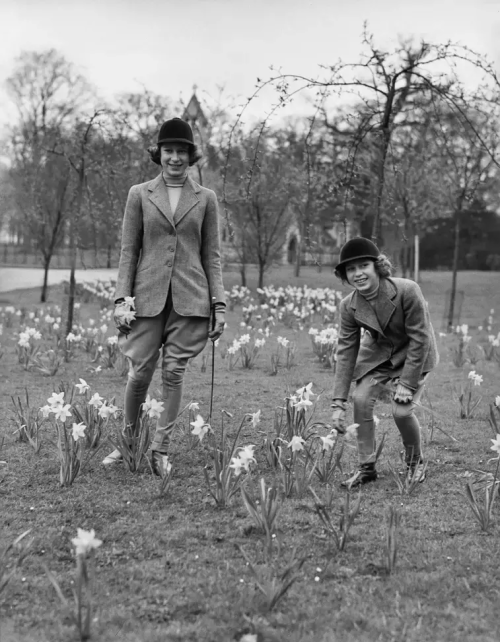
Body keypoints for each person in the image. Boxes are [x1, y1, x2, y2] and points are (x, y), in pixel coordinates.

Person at [103, 117, 226, 475]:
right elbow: (129, 251)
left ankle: (160, 450)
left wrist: (218, 304)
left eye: (182, 151)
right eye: (169, 150)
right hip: (146, 297)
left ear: (192, 155)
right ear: (159, 154)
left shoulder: (206, 199)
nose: (175, 158)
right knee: (140, 372)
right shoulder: (139, 194)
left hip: (191, 299)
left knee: (174, 372)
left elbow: (211, 256)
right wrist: (121, 300)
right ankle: (127, 444)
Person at [331, 237, 439, 488]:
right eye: (350, 269)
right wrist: (338, 402)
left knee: (401, 411)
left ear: (378, 266)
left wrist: (407, 383)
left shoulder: (407, 290)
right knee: (360, 398)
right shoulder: (348, 306)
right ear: (345, 275)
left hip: (415, 355)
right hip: (380, 356)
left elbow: (420, 338)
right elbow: (346, 351)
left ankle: (416, 463)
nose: (357, 274)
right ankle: (366, 467)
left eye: (363, 266)